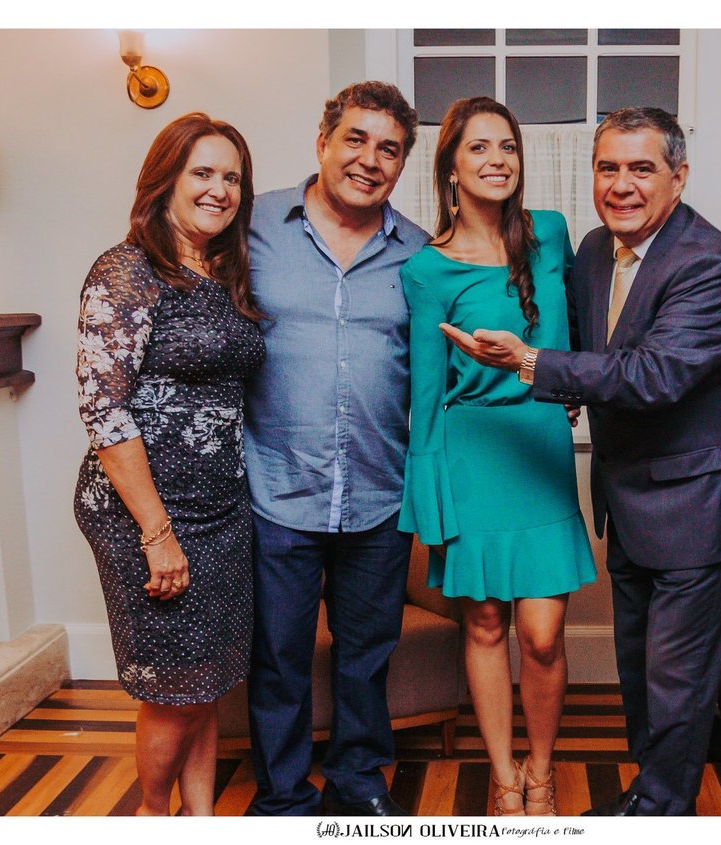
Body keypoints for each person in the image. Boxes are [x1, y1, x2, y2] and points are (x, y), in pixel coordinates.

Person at [441, 107, 721, 816]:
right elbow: (586, 349)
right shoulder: (595, 249)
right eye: (608, 168)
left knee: (678, 682)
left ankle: (657, 813)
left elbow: (654, 375)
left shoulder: (707, 263)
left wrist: (531, 364)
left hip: (700, 507)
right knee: (642, 673)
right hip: (629, 500)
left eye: (642, 168)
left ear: (679, 177)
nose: (622, 184)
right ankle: (652, 800)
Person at [398, 97, 596, 817]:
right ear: (451, 167)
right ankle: (507, 778)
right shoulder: (427, 269)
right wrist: (427, 497)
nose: (496, 160)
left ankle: (543, 769)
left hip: (538, 448)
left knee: (541, 635)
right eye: (478, 147)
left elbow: (585, 328)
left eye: (507, 145)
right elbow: (425, 393)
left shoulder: (552, 234)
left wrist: (571, 383)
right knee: (484, 626)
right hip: (470, 454)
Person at [242, 81, 430, 817]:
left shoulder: (420, 253)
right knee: (279, 658)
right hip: (274, 486)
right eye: (355, 139)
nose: (369, 160)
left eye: (389, 149)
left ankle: (359, 780)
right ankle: (284, 797)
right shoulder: (252, 226)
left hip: (379, 492)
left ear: (402, 164)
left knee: (366, 655)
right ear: (323, 141)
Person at [74, 113, 264, 815]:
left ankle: (201, 819)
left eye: (232, 177)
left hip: (221, 507)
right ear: (165, 181)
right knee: (174, 688)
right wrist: (157, 533)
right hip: (144, 512)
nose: (220, 190)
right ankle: (154, 817)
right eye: (202, 173)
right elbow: (104, 409)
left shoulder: (224, 273)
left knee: (204, 680)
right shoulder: (127, 270)